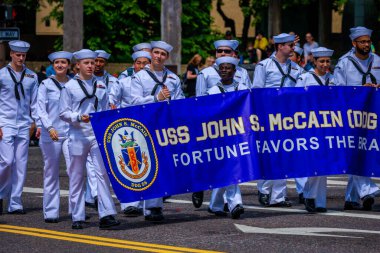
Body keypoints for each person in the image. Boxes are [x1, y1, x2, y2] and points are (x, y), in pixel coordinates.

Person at [59, 49, 120, 229]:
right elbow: (63, 113)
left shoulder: (101, 85)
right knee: (77, 176)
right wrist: (78, 117)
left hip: (96, 135)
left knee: (102, 174)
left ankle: (107, 214)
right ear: (78, 65)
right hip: (77, 135)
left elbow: (104, 108)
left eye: (93, 63)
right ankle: (77, 216)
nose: (91, 66)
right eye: (87, 63)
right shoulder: (69, 87)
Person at [130, 41, 184, 222]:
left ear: (166, 57)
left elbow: (179, 103)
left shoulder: (173, 79)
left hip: (165, 126)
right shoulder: (140, 77)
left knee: (162, 165)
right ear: (151, 54)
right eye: (156, 53)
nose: (159, 56)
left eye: (163, 54)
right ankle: (147, 205)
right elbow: (134, 102)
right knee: (147, 164)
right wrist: (155, 98)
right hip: (145, 125)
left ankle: (155, 206)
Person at [252, 33, 303, 207]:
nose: (293, 48)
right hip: (268, 116)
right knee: (269, 153)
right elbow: (257, 91)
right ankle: (264, 191)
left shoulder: (296, 69)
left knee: (285, 154)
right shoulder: (264, 66)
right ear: (280, 46)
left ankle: (278, 196)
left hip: (288, 117)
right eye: (290, 45)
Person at [334, 26, 380, 211]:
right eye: (362, 42)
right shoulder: (344, 62)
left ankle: (351, 198)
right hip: (351, 115)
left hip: (373, 115)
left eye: (368, 41)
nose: (366, 45)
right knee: (358, 151)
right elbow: (338, 89)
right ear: (354, 43)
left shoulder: (377, 60)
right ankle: (367, 190)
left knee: (363, 150)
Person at [109, 50, 151, 217]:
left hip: (147, 127)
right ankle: (128, 204)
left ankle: (144, 204)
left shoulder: (152, 81)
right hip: (128, 130)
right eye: (138, 63)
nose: (141, 66)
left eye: (145, 63)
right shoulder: (124, 82)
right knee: (128, 165)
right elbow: (112, 100)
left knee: (145, 165)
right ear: (133, 64)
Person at [0, 40, 39, 215]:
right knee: (7, 162)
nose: (21, 58)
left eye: (23, 55)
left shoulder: (32, 76)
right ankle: (1, 194)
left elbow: (35, 102)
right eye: (18, 54)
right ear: (11, 54)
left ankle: (15, 202)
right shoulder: (1, 75)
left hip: (24, 124)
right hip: (5, 122)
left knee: (21, 164)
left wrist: (36, 122)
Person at [206, 56, 247, 219]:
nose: (224, 70)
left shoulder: (243, 89)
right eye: (221, 67)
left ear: (234, 71)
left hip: (238, 134)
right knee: (230, 168)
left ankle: (215, 204)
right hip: (220, 136)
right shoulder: (213, 91)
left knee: (230, 168)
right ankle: (236, 203)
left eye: (228, 67)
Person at [295, 47, 335, 212]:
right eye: (322, 61)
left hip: (327, 125)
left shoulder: (333, 79)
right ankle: (309, 196)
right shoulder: (305, 78)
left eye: (327, 61)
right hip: (308, 125)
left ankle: (319, 201)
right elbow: (295, 101)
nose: (325, 64)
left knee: (323, 163)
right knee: (312, 161)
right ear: (314, 61)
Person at [37, 51, 73, 223]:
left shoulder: (74, 84)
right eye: (57, 63)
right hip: (50, 134)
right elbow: (41, 110)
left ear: (68, 65)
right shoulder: (45, 84)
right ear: (53, 65)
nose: (60, 65)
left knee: (74, 171)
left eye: (63, 62)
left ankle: (76, 210)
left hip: (70, 133)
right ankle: (51, 211)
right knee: (51, 172)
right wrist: (49, 126)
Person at [84, 49, 119, 209]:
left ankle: (93, 195)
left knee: (101, 162)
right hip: (86, 124)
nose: (97, 64)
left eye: (100, 61)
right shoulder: (83, 79)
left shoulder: (112, 80)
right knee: (90, 162)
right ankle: (95, 194)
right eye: (95, 61)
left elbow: (113, 98)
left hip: (105, 122)